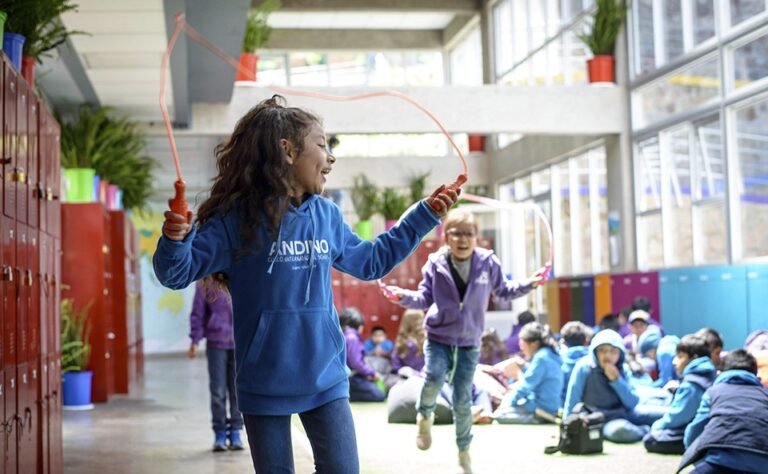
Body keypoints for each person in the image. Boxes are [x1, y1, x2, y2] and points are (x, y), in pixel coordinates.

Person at [153, 95, 459, 473]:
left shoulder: (327, 215)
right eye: (322, 144)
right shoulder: (236, 220)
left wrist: (422, 215)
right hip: (264, 383)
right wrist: (175, 239)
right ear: (287, 151)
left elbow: (371, 261)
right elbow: (176, 273)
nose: (330, 158)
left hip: (326, 377)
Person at [381, 209, 544, 473]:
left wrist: (531, 283)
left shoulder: (488, 262)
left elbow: (504, 289)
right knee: (433, 377)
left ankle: (463, 451)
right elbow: (424, 298)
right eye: (456, 233)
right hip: (438, 336)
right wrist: (402, 296)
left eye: (468, 234)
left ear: (476, 237)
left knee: (461, 398)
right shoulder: (435, 263)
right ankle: (425, 415)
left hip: (470, 341)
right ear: (446, 237)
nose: (463, 239)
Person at [564, 329, 666, 443]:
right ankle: (646, 431)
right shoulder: (584, 367)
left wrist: (616, 380)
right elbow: (573, 399)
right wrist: (568, 425)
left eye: (613, 351)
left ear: (620, 353)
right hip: (600, 419)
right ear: (595, 352)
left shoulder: (623, 368)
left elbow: (632, 402)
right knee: (621, 431)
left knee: (665, 414)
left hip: (625, 412)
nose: (607, 355)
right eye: (602, 350)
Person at [679, 350, 768, 473]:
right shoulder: (765, 395)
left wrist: (696, 458)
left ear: (719, 373)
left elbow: (694, 431)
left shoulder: (713, 392)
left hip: (721, 461)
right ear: (756, 376)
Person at [187, 277, 244, 451]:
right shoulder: (205, 282)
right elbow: (198, 312)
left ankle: (235, 431)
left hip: (239, 344)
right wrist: (195, 340)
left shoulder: (240, 276)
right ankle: (219, 432)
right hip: (215, 345)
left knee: (237, 392)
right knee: (217, 392)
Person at [643, 335, 716, 455]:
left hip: (700, 433)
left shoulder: (691, 384)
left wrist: (657, 426)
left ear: (694, 358)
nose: (674, 361)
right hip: (711, 430)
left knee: (651, 439)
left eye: (680, 356)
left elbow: (677, 417)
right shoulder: (710, 375)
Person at [494, 322, 562, 423]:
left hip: (540, 406)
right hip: (551, 404)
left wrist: (507, 403)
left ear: (533, 343)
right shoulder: (550, 354)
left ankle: (539, 418)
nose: (521, 348)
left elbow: (526, 386)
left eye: (522, 344)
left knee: (500, 415)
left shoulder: (541, 358)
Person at [340, 307, 386, 402]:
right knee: (380, 395)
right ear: (359, 325)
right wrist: (372, 373)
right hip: (352, 379)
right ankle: (346, 395)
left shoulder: (343, 334)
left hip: (343, 378)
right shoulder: (352, 338)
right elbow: (355, 363)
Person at [559, 321, 592, 404]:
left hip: (565, 409)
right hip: (592, 410)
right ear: (585, 341)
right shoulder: (594, 359)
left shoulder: (558, 361)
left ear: (563, 341)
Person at [391, 309, 426, 375]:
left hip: (405, 378)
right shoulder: (427, 340)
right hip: (423, 379)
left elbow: (395, 364)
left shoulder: (401, 340)